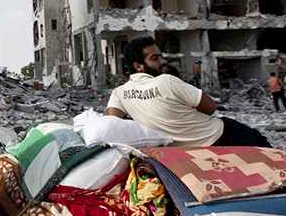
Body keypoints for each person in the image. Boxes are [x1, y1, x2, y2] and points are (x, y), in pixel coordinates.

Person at [106, 38, 271, 147]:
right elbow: (211, 107)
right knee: (260, 142)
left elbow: (111, 124)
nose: (163, 61)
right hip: (217, 135)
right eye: (154, 58)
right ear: (138, 66)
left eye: (161, 56)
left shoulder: (120, 93)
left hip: (180, 147)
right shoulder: (166, 80)